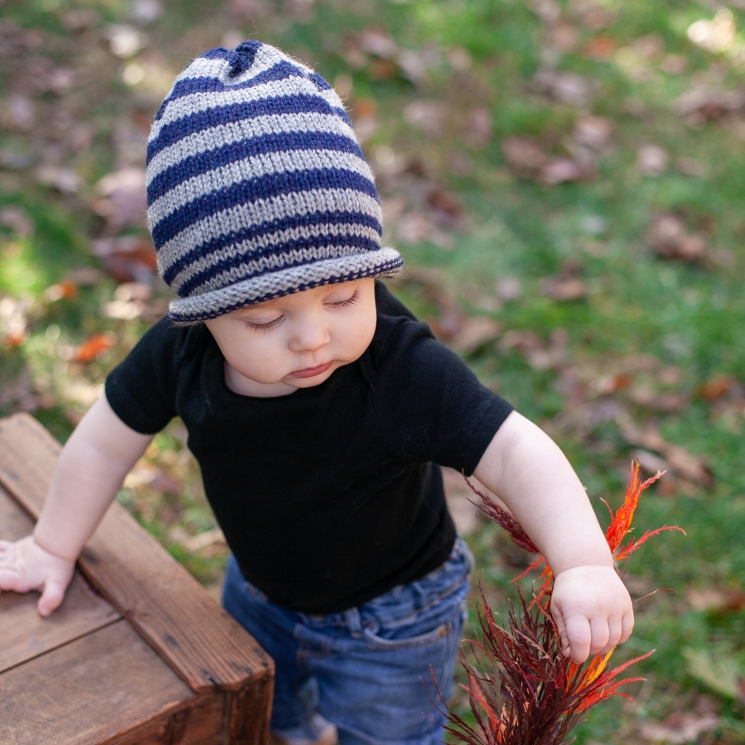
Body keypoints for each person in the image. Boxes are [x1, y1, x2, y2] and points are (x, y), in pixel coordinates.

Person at [0, 41, 633, 745]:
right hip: (259, 589)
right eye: (265, 317)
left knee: (386, 735)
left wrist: (581, 560)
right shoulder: (180, 354)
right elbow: (101, 442)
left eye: (342, 295)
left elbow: (514, 449)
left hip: (394, 618)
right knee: (268, 716)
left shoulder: (397, 367)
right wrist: (53, 546)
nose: (311, 338)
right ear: (203, 311)